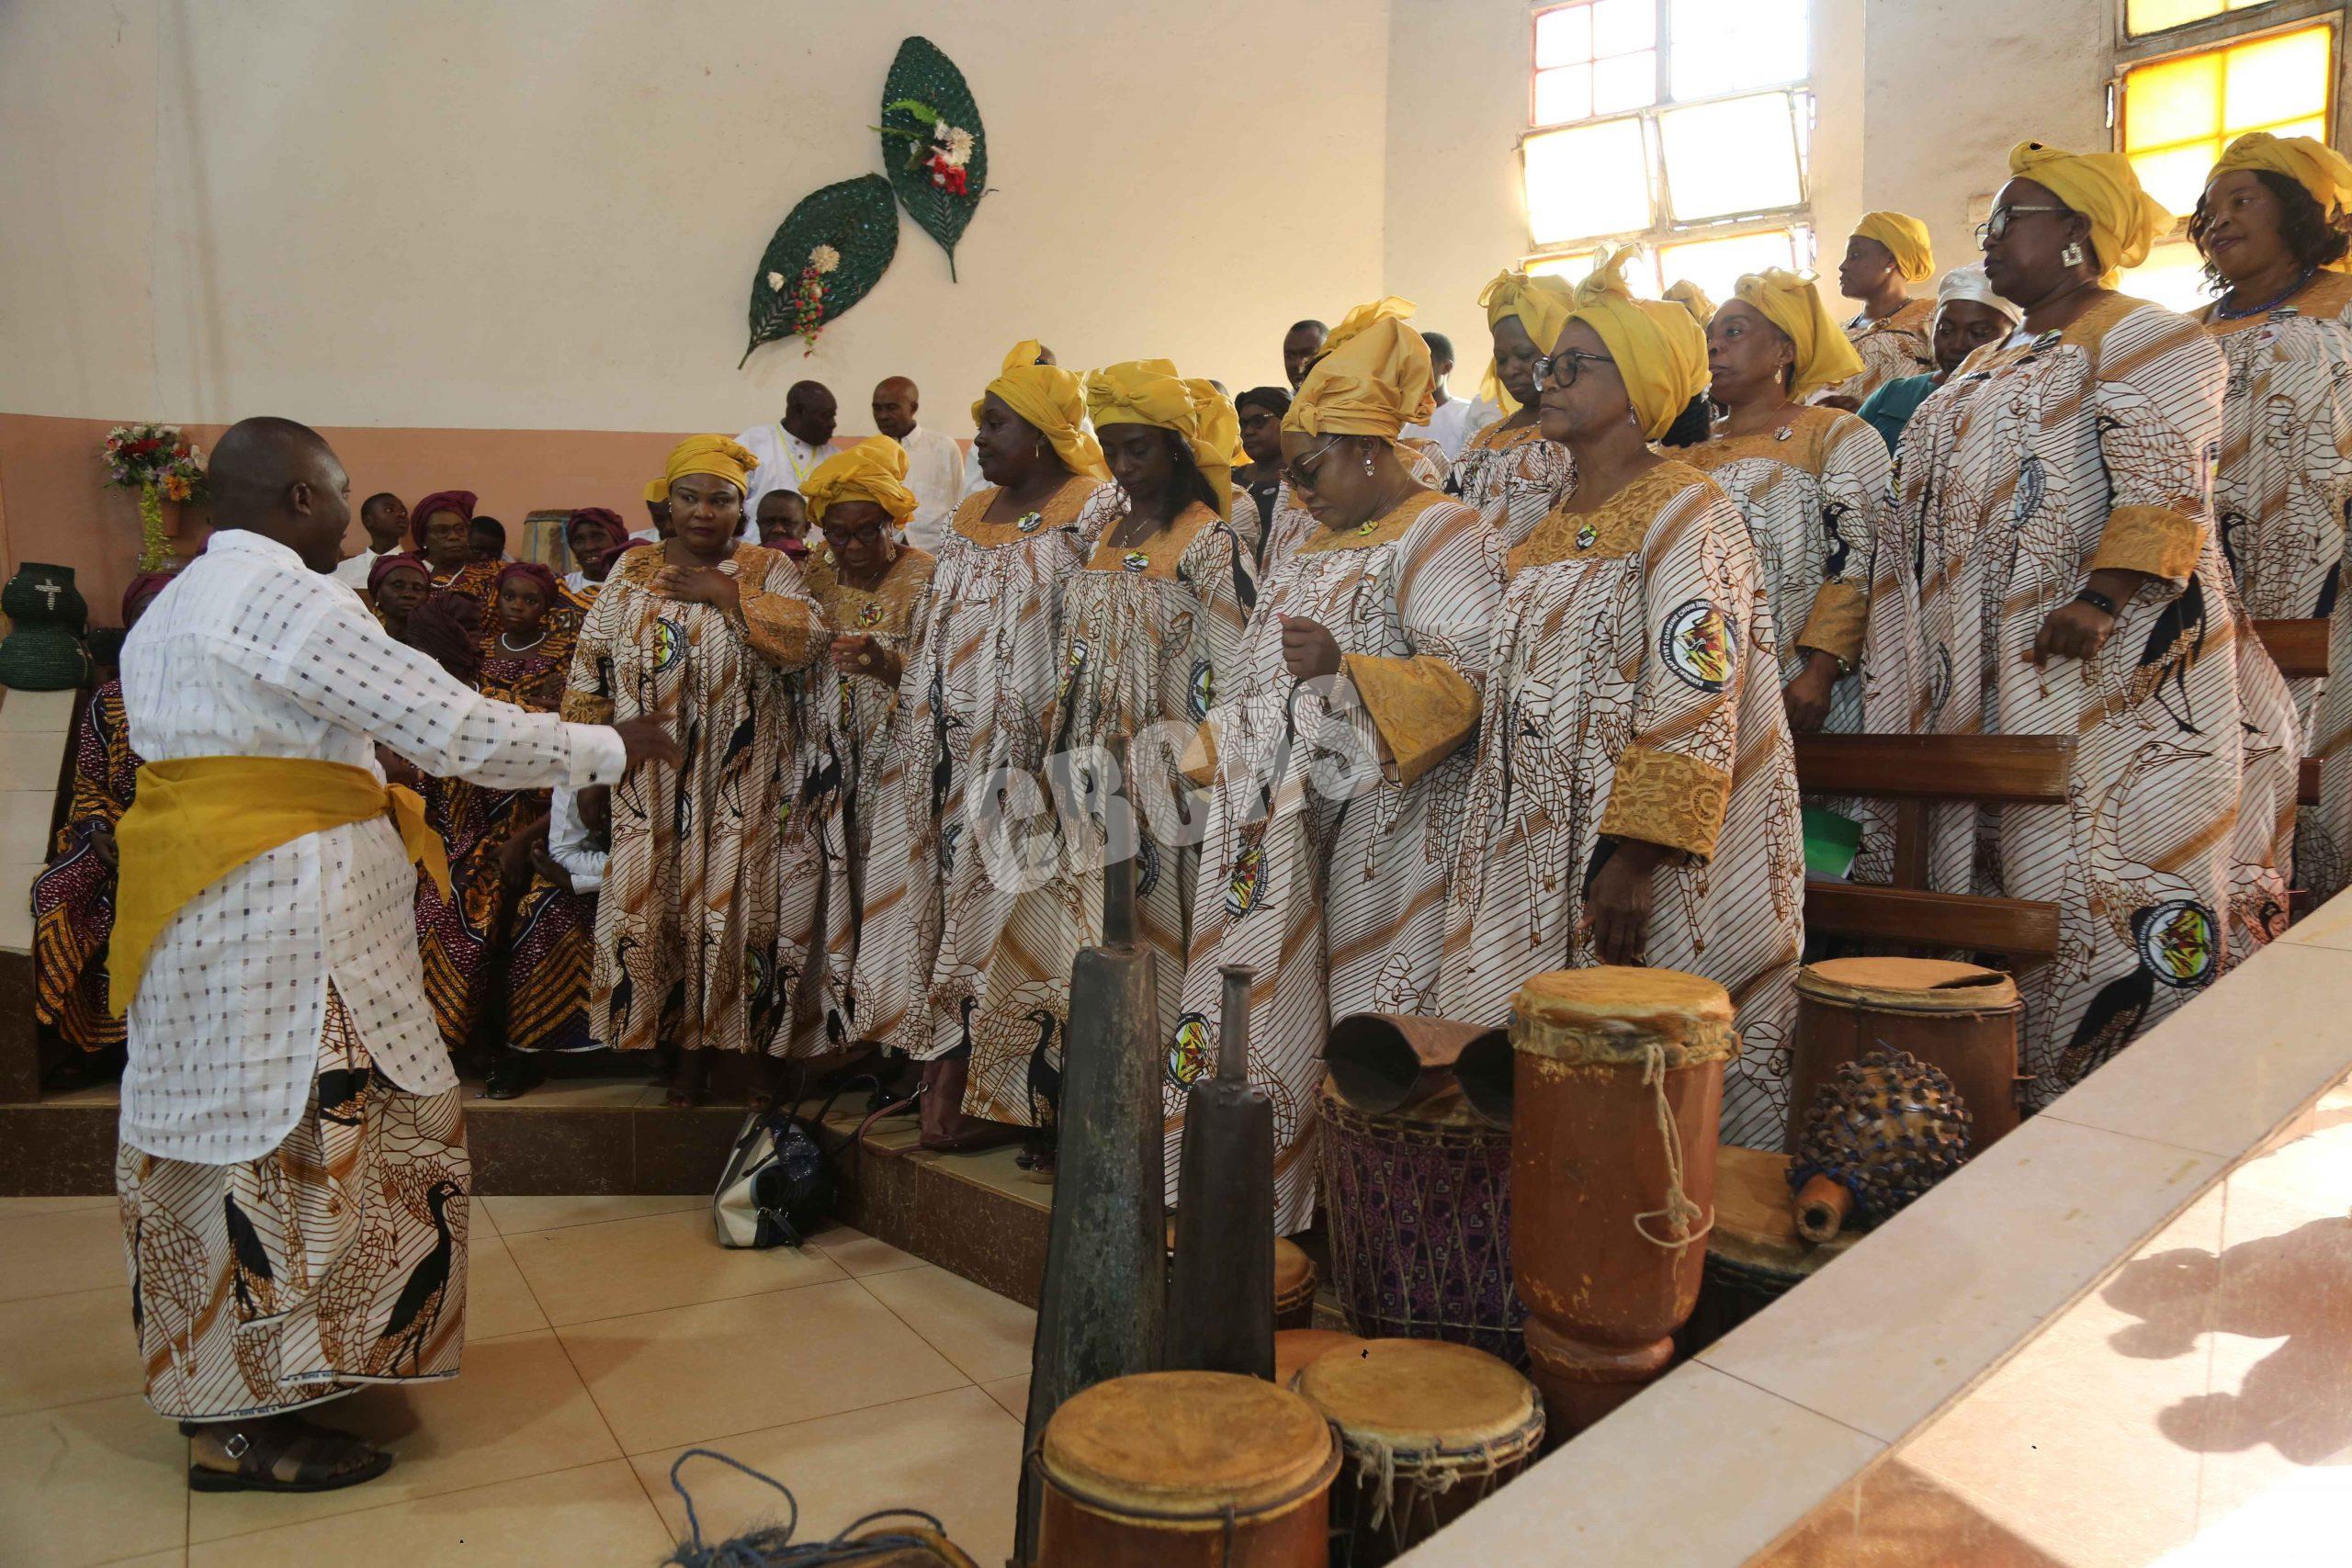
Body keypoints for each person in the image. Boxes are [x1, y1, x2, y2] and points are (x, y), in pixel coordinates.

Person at [109, 415, 668, 1491]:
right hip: (286, 932)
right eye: (340, 490)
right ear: (302, 502)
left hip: (200, 916)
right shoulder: (287, 596)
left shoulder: (174, 602)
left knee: (210, 1153)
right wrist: (608, 744)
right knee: (291, 1161)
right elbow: (451, 729)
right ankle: (253, 1432)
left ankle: (224, 1394)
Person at [1895, 141, 2296, 1104]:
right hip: (1990, 660)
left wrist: (2102, 595)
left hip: (2114, 666)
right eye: (1986, 224)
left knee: (2105, 871)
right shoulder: (1995, 353)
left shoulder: (2147, 334)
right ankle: (2004, 1087)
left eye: (2011, 219)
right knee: (2011, 874)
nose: (1990, 239)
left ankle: (2137, 1092)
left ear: (2076, 232)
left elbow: (2168, 479)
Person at [1438, 247, 1805, 1148]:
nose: (1545, 380)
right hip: (1530, 849)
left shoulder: (1689, 509)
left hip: (1642, 862)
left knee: (1646, 1089)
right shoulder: (1548, 524)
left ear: (1638, 385)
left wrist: (1635, 859)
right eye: (1547, 363)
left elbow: (1697, 689)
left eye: (1575, 364)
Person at [1178, 306, 1502, 1232]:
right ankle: (1289, 1209)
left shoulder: (1443, 533)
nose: (1299, 492)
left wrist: (1347, 669)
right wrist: (1205, 769)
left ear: (1366, 447)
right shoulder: (1307, 541)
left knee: (1365, 1019)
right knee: (1277, 1011)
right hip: (1282, 830)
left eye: (1310, 470)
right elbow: (1249, 672)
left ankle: (1372, 1225)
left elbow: (1475, 680)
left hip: (1389, 838)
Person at [956, 361, 1259, 1154]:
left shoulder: (1209, 540)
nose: (1122, 469)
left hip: (1159, 779)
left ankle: (1139, 1128)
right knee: (1071, 940)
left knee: (1143, 945)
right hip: (1082, 769)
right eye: (1113, 451)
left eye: (1137, 451)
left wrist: (1186, 771)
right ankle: (1072, 1112)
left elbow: (1233, 670)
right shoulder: (1099, 533)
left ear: (1175, 449)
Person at [852, 358, 1107, 1146]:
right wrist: (892, 667)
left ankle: (1012, 1092)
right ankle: (938, 1070)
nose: (983, 437)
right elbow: (941, 635)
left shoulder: (1092, 510)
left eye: (997, 424)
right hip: (938, 754)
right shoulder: (966, 513)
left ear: (1043, 433)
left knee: (1014, 917)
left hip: (1027, 762)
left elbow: (1099, 633)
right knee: (935, 907)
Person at [564, 434, 826, 1108]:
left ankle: (734, 1052)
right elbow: (588, 671)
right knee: (659, 907)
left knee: (733, 910)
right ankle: (679, 1052)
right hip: (647, 778)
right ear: (666, 503)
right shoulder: (630, 571)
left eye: (720, 500)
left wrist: (725, 593)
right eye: (690, 497)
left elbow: (807, 643)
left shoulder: (768, 567)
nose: (703, 512)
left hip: (739, 778)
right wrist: (589, 772)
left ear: (740, 508)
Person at [2192, 135, 2352, 901]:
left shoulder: (2346, 308)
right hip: (2211, 586)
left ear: (2300, 211)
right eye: (2209, 209)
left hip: (2328, 581)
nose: (2218, 221)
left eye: (2241, 201)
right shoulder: (2181, 332)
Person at [1687, 270, 1902, 742]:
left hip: (1800, 683)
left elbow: (1859, 556)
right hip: (1699, 679)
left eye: (1734, 333)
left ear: (1785, 350)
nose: (1714, 347)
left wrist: (1821, 670)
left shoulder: (1835, 434)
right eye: (1709, 337)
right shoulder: (1683, 452)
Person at [780, 437, 937, 1061]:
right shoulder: (816, 571)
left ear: (893, 523)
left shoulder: (926, 575)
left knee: (885, 885)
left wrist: (883, 661)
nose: (849, 548)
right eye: (836, 534)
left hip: (892, 758)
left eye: (864, 532)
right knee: (825, 886)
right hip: (823, 755)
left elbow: (944, 674)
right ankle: (828, 1033)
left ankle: (888, 1034)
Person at [31, 572, 172, 1069]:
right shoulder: (109, 700)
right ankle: (77, 1038)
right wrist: (97, 828)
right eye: (142, 615)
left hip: (197, 830)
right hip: (118, 827)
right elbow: (91, 782)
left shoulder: (214, 693)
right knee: (61, 888)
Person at [1450, 268, 1578, 546]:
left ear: (1556, 352)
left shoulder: (1575, 436)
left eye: (1523, 355)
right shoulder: (1481, 438)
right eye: (1501, 358)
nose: (1510, 370)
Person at [498, 783, 613, 1084]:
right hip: (602, 866)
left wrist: (580, 882)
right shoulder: (588, 761)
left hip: (674, 873)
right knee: (540, 909)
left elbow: (667, 859)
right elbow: (564, 852)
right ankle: (526, 1051)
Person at [1854, 265, 2021, 454]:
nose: (1957, 345)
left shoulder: (2020, 404)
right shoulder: (1893, 395)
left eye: (1978, 333)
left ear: (2015, 336)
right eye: (1946, 331)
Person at [1821, 211, 1939, 409]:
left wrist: (1865, 412)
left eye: (1855, 255)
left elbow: (1951, 388)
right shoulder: (1836, 333)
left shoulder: (1932, 316)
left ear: (1890, 261)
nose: (1843, 266)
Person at [871, 377, 967, 555]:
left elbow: (959, 501)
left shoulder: (943, 447)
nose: (882, 415)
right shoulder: (870, 452)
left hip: (935, 552)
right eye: (877, 408)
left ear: (913, 408)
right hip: (886, 554)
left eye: (891, 407)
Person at [736, 379, 837, 519]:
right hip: (756, 541)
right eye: (826, 415)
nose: (833, 423)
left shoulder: (836, 458)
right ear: (798, 411)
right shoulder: (752, 444)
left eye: (833, 415)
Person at [1401, 332, 1500, 459]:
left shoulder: (1466, 414)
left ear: (1446, 367)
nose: (1414, 371)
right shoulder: (1403, 420)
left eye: (1423, 364)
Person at [410, 489, 499, 614]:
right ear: (423, 538)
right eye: (442, 530)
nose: (453, 537)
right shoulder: (406, 573)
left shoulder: (489, 576)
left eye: (460, 529)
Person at [553, 506, 626, 653]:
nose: (589, 547)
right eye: (579, 540)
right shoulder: (559, 588)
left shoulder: (635, 586)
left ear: (618, 539)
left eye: (598, 537)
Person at [1234, 387, 1290, 555]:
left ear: (1286, 420)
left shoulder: (1304, 484)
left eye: (1259, 421)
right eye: (1243, 424)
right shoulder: (1230, 479)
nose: (1248, 432)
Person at [334, 493, 409, 591]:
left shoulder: (423, 570)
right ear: (368, 521)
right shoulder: (342, 571)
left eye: (404, 512)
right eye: (389, 510)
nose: (400, 515)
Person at [367, 553, 432, 637]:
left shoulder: (440, 643)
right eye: (397, 586)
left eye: (417, 588)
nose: (408, 594)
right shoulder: (361, 635)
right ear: (378, 593)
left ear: (427, 597)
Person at [755, 489, 811, 558]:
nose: (777, 529)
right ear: (759, 526)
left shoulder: (822, 565)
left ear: (806, 528)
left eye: (787, 523)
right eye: (769, 522)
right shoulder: (742, 564)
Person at [1282, 319, 1328, 391]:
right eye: (1290, 356)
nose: (1298, 363)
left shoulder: (1348, 398)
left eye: (1308, 354)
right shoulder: (1279, 401)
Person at [638, 477, 672, 541]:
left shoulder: (695, 544)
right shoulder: (635, 544)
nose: (668, 527)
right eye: (659, 519)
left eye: (673, 518)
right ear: (650, 509)